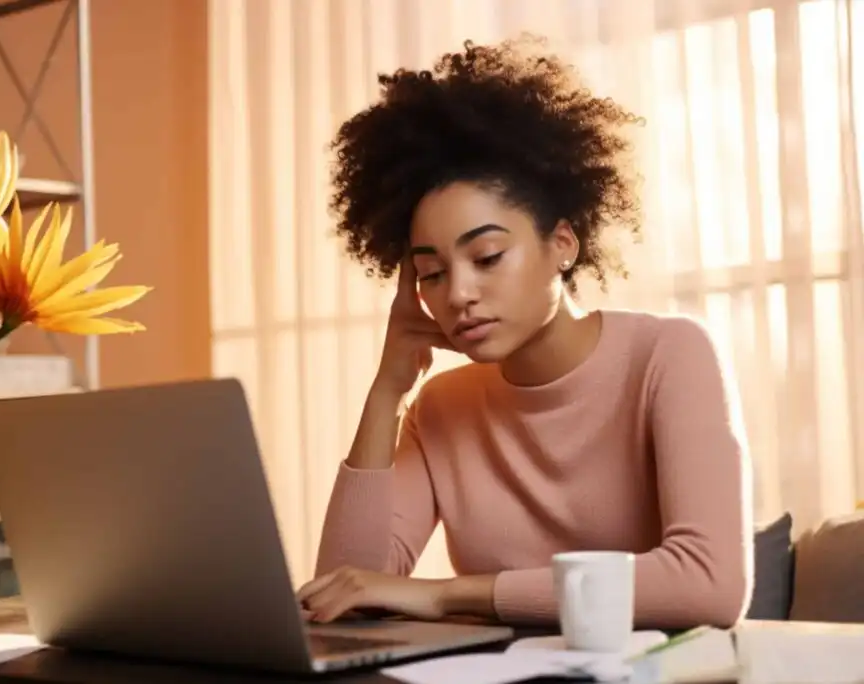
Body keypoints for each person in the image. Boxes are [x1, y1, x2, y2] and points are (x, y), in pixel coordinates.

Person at [295, 36, 753, 629]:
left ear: (562, 244)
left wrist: (446, 595)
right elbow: (344, 597)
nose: (456, 293)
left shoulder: (669, 356)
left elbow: (708, 585)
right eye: (431, 272)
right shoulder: (441, 409)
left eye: (486, 257)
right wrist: (387, 389)